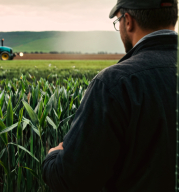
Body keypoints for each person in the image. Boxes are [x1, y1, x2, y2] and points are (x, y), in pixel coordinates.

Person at [42, 0, 178, 191]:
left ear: (128, 21)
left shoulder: (115, 83)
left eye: (118, 21)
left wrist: (53, 157)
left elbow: (72, 179)